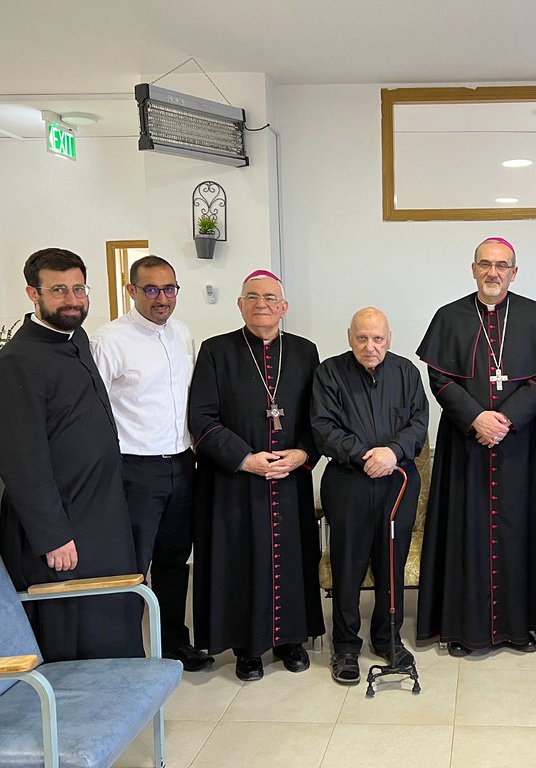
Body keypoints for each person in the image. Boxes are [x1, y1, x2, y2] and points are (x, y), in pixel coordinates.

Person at [0, 248, 141, 661]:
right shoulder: (18, 361)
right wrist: (52, 535)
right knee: (74, 623)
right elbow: (20, 459)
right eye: (58, 290)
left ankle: (119, 701)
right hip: (63, 522)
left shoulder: (78, 338)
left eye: (78, 288)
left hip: (101, 508)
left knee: (112, 609)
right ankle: (77, 719)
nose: (72, 299)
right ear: (31, 293)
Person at [416, 237, 536, 656]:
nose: (493, 272)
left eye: (502, 265)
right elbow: (440, 380)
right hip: (466, 445)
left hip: (518, 445)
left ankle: (520, 629)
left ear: (514, 272)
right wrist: (476, 418)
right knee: (466, 534)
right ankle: (464, 630)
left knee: (519, 533)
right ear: (473, 268)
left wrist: (506, 420)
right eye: (485, 264)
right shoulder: (450, 316)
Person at [188, 270, 324, 682]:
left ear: (284, 307)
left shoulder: (304, 351)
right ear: (240, 304)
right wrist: (245, 458)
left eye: (270, 297)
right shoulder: (216, 351)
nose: (261, 303)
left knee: (293, 558)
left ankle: (290, 641)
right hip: (236, 481)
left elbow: (318, 417)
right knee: (241, 560)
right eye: (252, 297)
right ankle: (247, 649)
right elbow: (202, 418)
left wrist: (302, 454)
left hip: (289, 477)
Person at [90, 255, 212, 672]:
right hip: (135, 468)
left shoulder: (182, 334)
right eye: (151, 290)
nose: (162, 298)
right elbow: (95, 409)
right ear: (131, 291)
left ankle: (174, 644)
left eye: (169, 289)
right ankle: (127, 653)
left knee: (176, 560)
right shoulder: (108, 340)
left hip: (182, 463)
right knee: (132, 565)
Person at [311, 307, 429, 685]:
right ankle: (345, 646)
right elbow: (322, 426)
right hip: (349, 481)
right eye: (362, 338)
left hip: (397, 480)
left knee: (390, 563)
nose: (370, 346)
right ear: (350, 337)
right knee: (347, 564)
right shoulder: (329, 372)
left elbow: (419, 423)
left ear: (389, 338)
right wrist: (365, 455)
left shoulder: (407, 372)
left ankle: (387, 639)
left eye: (378, 338)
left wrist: (391, 452)